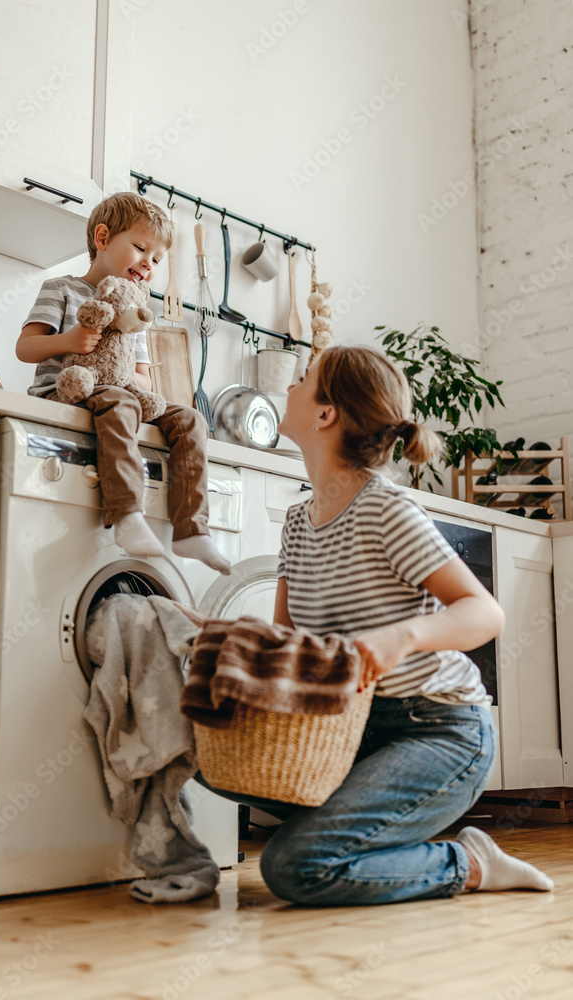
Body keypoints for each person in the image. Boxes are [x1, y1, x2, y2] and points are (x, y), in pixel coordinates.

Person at [196, 344, 554, 904]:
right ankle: (348, 837)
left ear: (325, 414)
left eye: (304, 379)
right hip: (349, 726)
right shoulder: (297, 521)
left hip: (438, 730)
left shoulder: (384, 510)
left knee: (295, 866)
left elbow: (485, 613)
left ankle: (470, 862)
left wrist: (399, 637)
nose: (290, 386)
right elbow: (291, 643)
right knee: (204, 749)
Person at [16, 191, 230, 574]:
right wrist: (69, 341)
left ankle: (192, 530)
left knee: (189, 419)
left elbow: (144, 379)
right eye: (140, 248)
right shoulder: (62, 288)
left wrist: (120, 368)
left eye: (156, 260)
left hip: (118, 393)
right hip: (66, 391)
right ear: (102, 239)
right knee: (122, 401)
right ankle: (127, 513)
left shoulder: (137, 312)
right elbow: (25, 347)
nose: (148, 264)